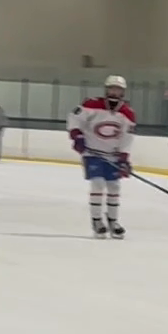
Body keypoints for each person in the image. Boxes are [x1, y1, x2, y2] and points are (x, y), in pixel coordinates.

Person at [66, 75, 136, 239]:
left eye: (118, 89)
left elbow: (127, 137)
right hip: (92, 153)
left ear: (123, 92)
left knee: (114, 187)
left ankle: (113, 221)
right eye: (112, 88)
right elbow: (74, 118)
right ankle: (97, 221)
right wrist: (77, 136)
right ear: (106, 89)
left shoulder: (127, 113)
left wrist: (124, 157)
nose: (114, 92)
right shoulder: (91, 105)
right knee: (97, 184)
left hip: (112, 156)